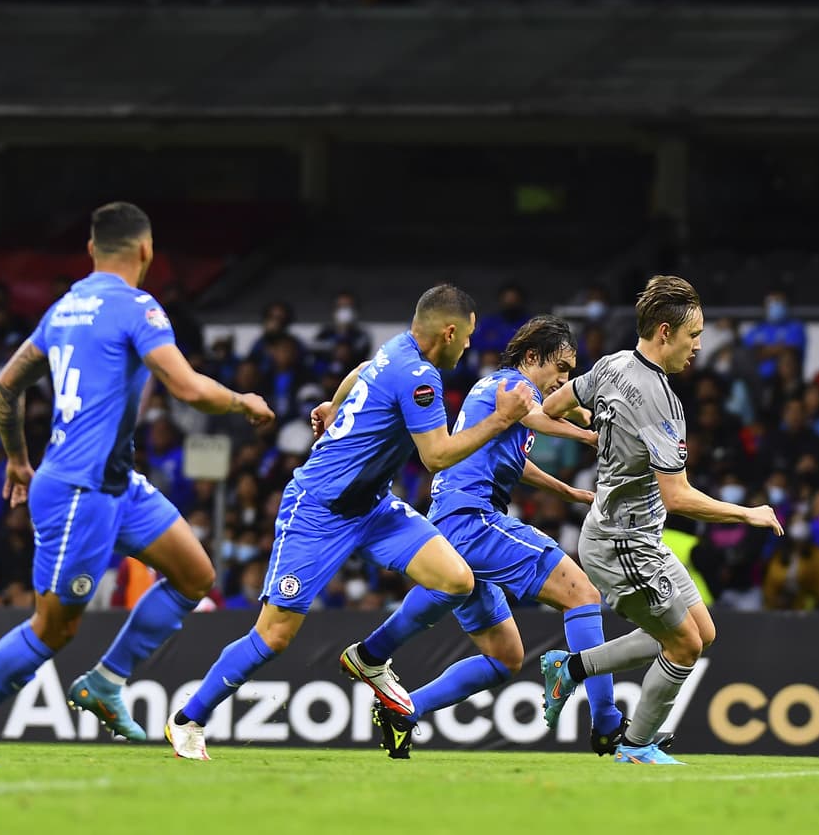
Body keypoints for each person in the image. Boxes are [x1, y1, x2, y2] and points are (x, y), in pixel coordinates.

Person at [0, 202, 275, 767]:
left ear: (91, 250)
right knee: (53, 627)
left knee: (194, 575)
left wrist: (17, 459)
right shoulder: (138, 307)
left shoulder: (64, 308)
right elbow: (185, 388)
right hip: (78, 491)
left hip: (117, 483)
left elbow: (8, 386)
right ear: (146, 251)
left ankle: (105, 683)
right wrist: (241, 402)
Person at [165, 284, 533, 761]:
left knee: (456, 579)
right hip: (318, 510)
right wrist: (501, 420)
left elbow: (361, 371)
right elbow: (437, 456)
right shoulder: (419, 376)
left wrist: (335, 405)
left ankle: (370, 657)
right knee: (273, 635)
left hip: (372, 507)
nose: (469, 347)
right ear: (448, 331)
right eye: (466, 337)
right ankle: (188, 719)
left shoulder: (394, 351)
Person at [340, 317, 627, 760]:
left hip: (454, 522)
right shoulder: (514, 388)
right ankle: (608, 725)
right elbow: (537, 415)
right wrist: (590, 436)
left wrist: (568, 491)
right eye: (562, 369)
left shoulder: (494, 390)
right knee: (581, 593)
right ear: (533, 358)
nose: (564, 381)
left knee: (505, 658)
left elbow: (512, 460)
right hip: (473, 519)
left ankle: (405, 709)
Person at [536, 275, 782, 765]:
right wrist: (747, 513)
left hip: (631, 535)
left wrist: (594, 428)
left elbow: (553, 405)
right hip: (621, 541)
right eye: (694, 336)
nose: (698, 347)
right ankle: (635, 745)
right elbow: (678, 496)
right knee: (685, 645)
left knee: (701, 632)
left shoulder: (612, 365)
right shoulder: (662, 402)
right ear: (665, 332)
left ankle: (571, 668)